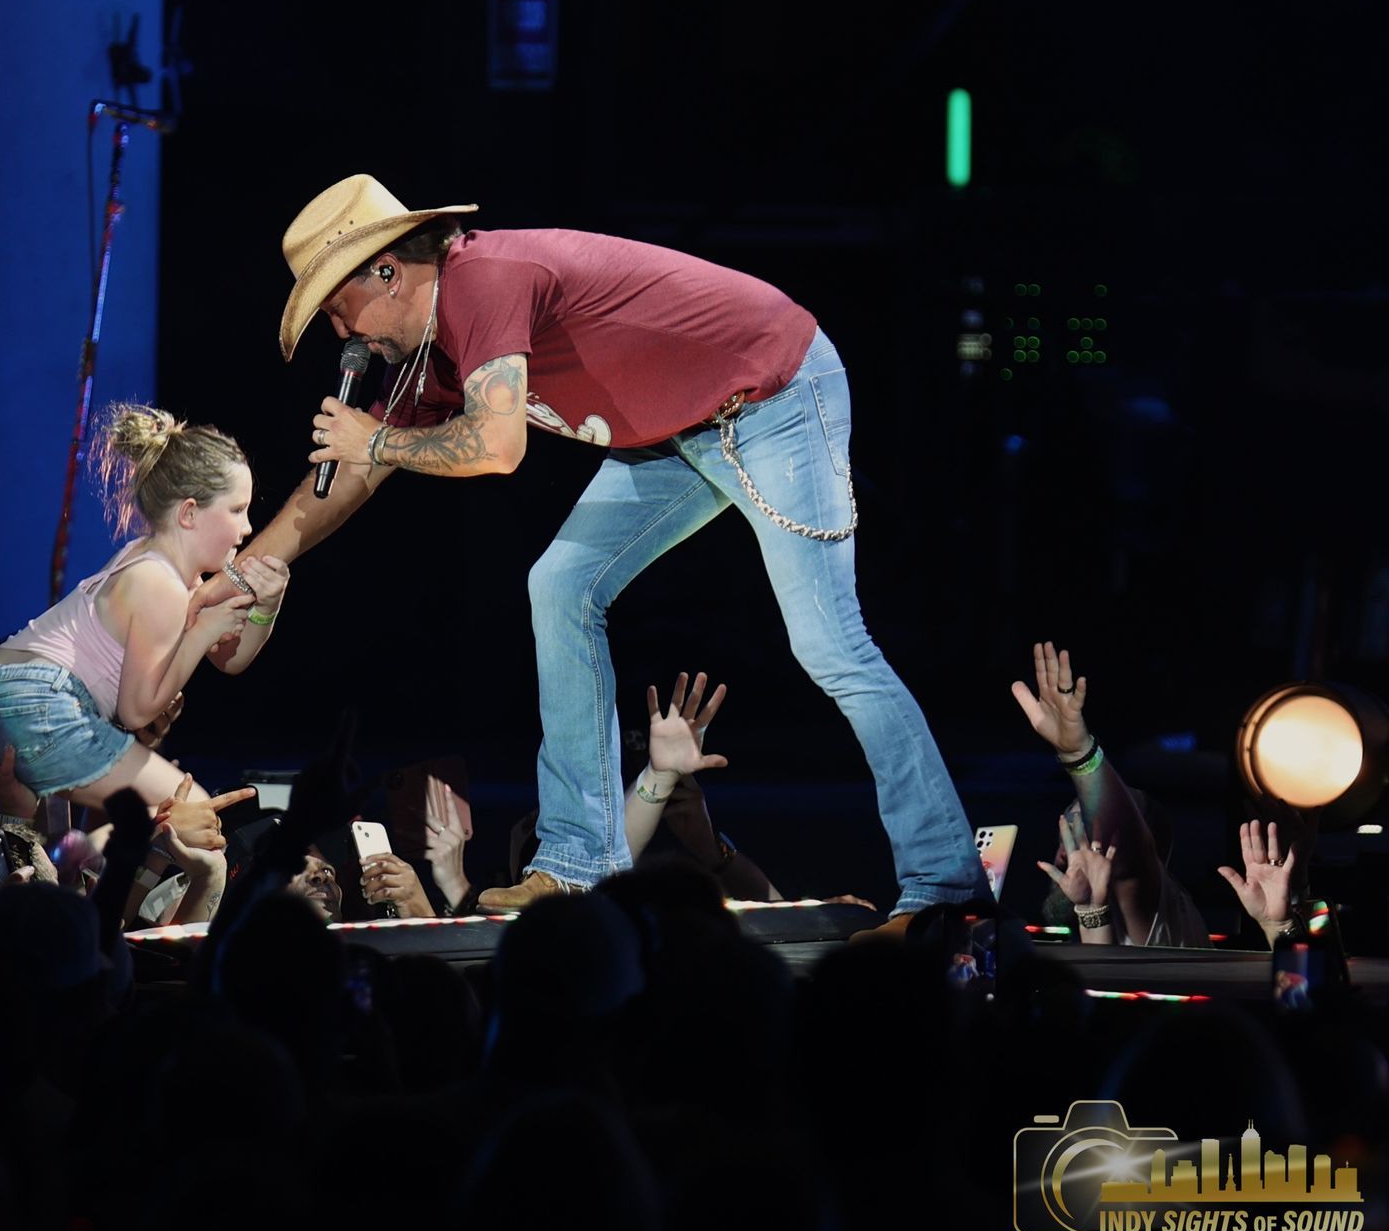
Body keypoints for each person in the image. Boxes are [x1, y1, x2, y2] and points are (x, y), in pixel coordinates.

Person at [195, 174, 988, 927]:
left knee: (830, 642)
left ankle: (946, 886)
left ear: (388, 271)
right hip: (677, 433)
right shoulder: (427, 356)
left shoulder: (482, 281)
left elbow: (495, 446)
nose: (342, 334)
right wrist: (242, 573)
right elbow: (348, 479)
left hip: (774, 394)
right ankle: (579, 860)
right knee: (561, 585)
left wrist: (377, 442)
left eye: (339, 309)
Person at [0, 405, 290, 811]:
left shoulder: (156, 565)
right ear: (189, 513)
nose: (248, 528)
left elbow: (230, 659)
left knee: (47, 842)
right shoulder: (160, 583)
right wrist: (201, 633)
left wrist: (267, 605)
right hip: (36, 701)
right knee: (191, 813)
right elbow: (136, 711)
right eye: (236, 510)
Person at [1014, 641, 1209, 947]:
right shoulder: (1095, 922)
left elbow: (1127, 841)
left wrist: (1078, 754)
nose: (1066, 851)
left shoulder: (1156, 909)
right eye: (1067, 831)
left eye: (1086, 829)